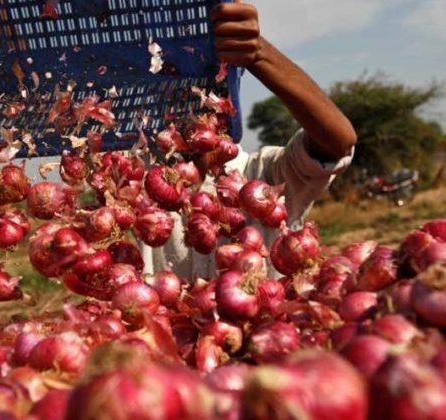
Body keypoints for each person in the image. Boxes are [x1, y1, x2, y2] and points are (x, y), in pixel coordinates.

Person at [140, 2, 358, 279]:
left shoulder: (265, 174)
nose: (187, 114)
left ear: (224, 106)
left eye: (202, 99)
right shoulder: (142, 193)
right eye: (172, 99)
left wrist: (258, 54)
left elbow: (339, 140)